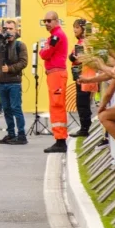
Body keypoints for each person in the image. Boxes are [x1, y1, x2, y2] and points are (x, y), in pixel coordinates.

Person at [0, 20, 29, 145]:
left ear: (16, 30)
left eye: (10, 28)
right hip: (2, 82)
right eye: (6, 28)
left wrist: (10, 69)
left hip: (14, 82)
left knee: (16, 108)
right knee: (7, 110)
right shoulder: (1, 44)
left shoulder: (20, 45)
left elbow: (24, 62)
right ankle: (11, 134)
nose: (8, 31)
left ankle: (21, 135)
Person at [39, 11, 69, 153]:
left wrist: (43, 49)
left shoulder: (56, 36)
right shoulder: (54, 36)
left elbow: (45, 54)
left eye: (49, 20)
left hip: (56, 74)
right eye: (45, 21)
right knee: (55, 105)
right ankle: (59, 139)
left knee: (57, 105)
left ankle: (61, 140)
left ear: (56, 21)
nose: (46, 23)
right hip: (54, 74)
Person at [69, 19, 97, 137]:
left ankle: (85, 129)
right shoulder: (80, 42)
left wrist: (75, 58)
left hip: (86, 76)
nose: (74, 30)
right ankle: (84, 127)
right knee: (81, 103)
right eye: (74, 27)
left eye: (77, 27)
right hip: (81, 75)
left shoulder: (87, 42)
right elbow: (73, 57)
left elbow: (81, 58)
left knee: (83, 103)